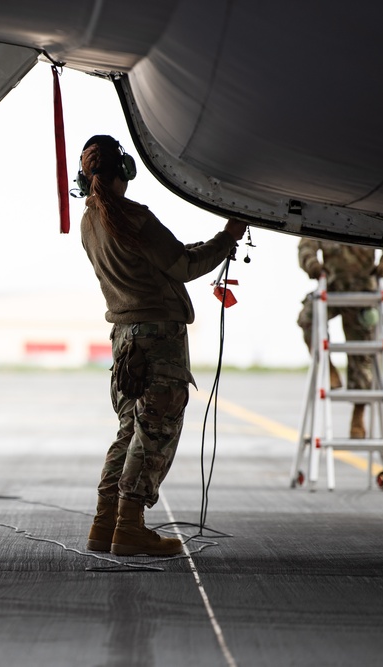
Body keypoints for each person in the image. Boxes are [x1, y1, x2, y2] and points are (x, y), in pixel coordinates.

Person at [79, 135, 246, 557]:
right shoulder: (132, 216)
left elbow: (161, 263)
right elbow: (184, 266)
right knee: (155, 432)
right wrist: (227, 236)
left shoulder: (91, 222)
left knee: (129, 431)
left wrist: (205, 246)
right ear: (124, 174)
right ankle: (130, 526)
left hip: (125, 342)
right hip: (158, 343)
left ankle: (105, 523)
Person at [296, 239, 383, 438]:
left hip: (363, 290)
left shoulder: (371, 212)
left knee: (361, 357)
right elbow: (306, 244)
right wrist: (311, 263)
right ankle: (327, 367)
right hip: (333, 285)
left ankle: (358, 415)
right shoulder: (324, 214)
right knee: (307, 319)